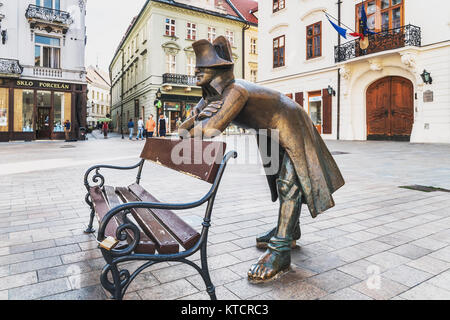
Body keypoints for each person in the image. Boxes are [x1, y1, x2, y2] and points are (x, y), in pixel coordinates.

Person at [179, 36, 345, 282]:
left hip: (289, 121)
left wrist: (198, 121)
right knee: (281, 179)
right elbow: (184, 133)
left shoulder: (235, 91)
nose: (196, 73)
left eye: (202, 69)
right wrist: (195, 118)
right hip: (268, 130)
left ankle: (280, 251)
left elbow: (208, 131)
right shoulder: (211, 96)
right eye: (197, 68)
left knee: (289, 183)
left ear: (219, 71)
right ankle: (290, 229)